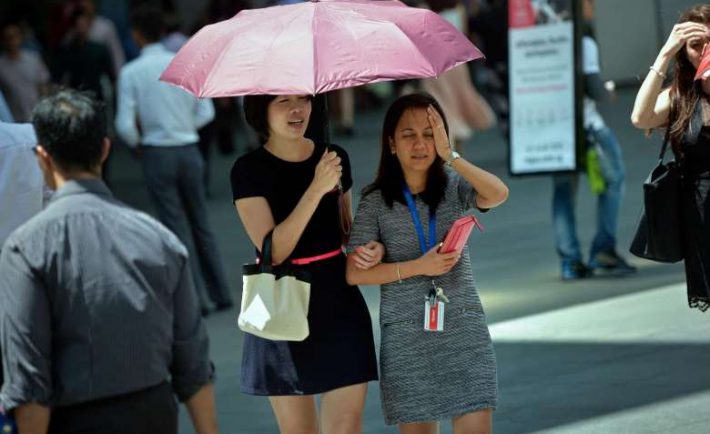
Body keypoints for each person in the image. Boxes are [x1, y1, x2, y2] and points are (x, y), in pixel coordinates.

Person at [0, 90, 219, 434]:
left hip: (73, 418)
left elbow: (29, 380)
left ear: (42, 158)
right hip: (154, 413)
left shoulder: (25, 248)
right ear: (105, 148)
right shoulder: (159, 238)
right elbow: (193, 361)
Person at [345, 92, 508, 433]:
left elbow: (497, 193)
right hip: (406, 338)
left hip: (464, 328)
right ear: (392, 144)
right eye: (409, 135)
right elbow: (354, 273)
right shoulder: (375, 201)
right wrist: (418, 267)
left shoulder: (454, 185)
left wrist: (453, 156)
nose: (420, 144)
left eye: (429, 134)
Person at [230, 94, 380, 433]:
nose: (297, 109)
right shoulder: (248, 170)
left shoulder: (334, 157)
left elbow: (347, 232)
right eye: (283, 101)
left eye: (304, 99)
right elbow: (274, 251)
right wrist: (315, 190)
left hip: (338, 299)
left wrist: (370, 248)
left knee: (346, 424)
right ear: (261, 111)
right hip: (282, 300)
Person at [115, 5, 233, 314]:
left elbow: (124, 124)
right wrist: (182, 128)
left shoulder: (131, 72)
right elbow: (205, 112)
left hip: (157, 151)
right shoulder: (181, 64)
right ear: (163, 31)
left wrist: (139, 143)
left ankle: (196, 300)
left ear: (137, 35)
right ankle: (221, 293)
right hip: (189, 149)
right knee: (201, 222)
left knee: (174, 226)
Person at [631, 4, 710, 310]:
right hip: (702, 215)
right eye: (695, 45)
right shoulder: (681, 96)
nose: (703, 52)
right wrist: (664, 54)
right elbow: (641, 117)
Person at [551, 0, 636, 280]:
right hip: (587, 127)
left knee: (564, 193)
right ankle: (603, 248)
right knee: (614, 180)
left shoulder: (544, 35)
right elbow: (593, 86)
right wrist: (608, 91)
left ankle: (569, 261)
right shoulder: (582, 38)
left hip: (552, 127)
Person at [0, 20, 50, 122]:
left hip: (36, 116)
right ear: (3, 40)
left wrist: (46, 111)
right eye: (8, 37)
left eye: (15, 36)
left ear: (20, 37)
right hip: (13, 120)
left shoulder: (33, 59)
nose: (12, 41)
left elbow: (43, 86)